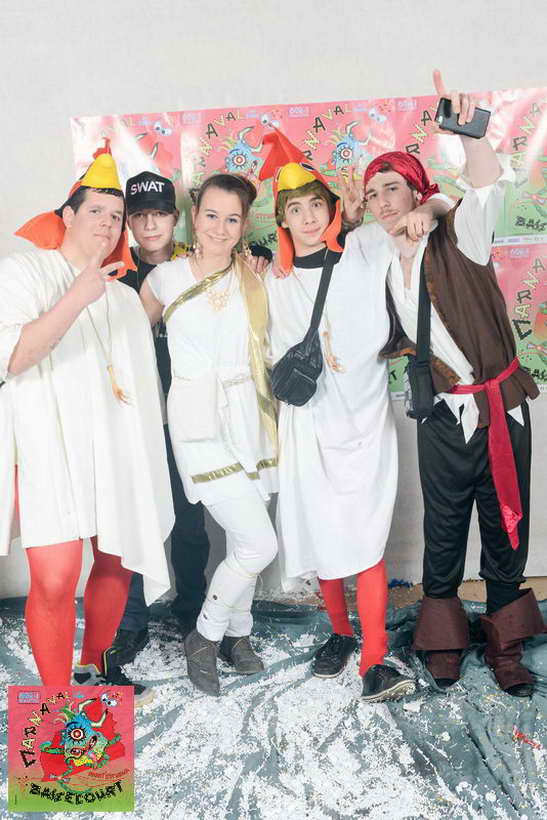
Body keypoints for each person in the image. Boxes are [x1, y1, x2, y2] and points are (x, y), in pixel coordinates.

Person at [361, 71, 542, 696]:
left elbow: (484, 183)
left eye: (393, 187)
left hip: (499, 407)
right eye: (373, 193)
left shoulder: (460, 233)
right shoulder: (379, 259)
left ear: (418, 190)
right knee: (442, 528)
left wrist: (469, 135)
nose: (383, 201)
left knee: (505, 524)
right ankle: (444, 638)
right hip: (441, 412)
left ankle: (506, 643)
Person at [0, 147, 174, 705]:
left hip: (113, 450)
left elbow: (141, 392)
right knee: (55, 577)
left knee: (118, 559)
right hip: (48, 448)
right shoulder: (24, 271)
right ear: (68, 215)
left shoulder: (124, 298)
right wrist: (77, 296)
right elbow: (13, 357)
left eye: (116, 215)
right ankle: (57, 705)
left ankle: (92, 669)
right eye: (96, 211)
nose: (107, 223)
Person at [261, 129, 420, 702]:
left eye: (316, 205)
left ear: (333, 206)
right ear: (282, 220)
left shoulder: (368, 246)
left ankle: (374, 658)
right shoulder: (273, 279)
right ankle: (340, 632)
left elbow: (427, 216)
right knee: (323, 531)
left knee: (367, 536)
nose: (308, 218)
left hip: (366, 418)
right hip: (309, 423)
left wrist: (401, 212)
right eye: (295, 210)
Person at [107, 171, 274, 665]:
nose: (220, 228)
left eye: (232, 219)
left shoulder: (254, 274)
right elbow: (125, 345)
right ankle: (198, 631)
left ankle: (237, 635)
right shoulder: (165, 278)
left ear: (244, 224)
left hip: (248, 420)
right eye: (211, 216)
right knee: (255, 541)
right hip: (193, 422)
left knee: (245, 535)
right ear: (194, 217)